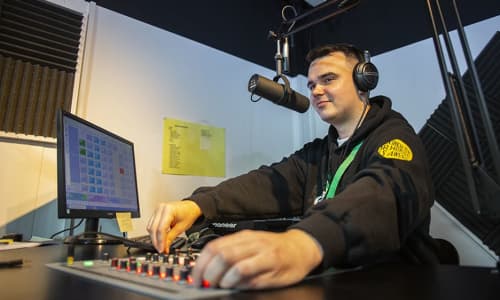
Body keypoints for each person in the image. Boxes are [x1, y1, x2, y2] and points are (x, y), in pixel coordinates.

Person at [147, 44, 438, 290]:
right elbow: (266, 182)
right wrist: (198, 204)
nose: (316, 91)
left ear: (364, 82)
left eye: (328, 79)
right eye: (312, 84)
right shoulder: (319, 152)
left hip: (391, 286)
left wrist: (303, 243)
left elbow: (381, 195)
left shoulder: (396, 138)